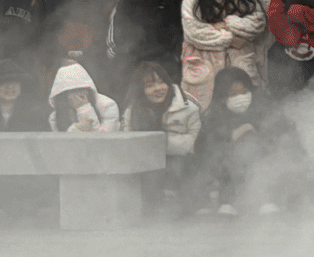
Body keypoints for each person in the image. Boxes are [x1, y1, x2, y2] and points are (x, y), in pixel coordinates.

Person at [179, 0, 268, 107]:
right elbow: (192, 30)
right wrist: (230, 39)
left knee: (246, 110)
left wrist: (229, 24)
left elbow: (258, 22)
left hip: (240, 63)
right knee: (204, 115)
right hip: (204, 67)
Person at [123, 57, 201, 212]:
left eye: (161, 82)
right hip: (148, 164)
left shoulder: (188, 108)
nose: (158, 88)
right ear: (141, 90)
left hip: (183, 162)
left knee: (175, 165)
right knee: (147, 170)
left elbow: (194, 142)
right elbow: (127, 144)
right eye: (150, 85)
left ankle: (178, 205)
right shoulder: (133, 111)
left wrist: (157, 143)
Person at [188, 65, 264, 216]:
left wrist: (250, 131)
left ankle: (265, 199)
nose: (240, 98)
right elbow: (202, 152)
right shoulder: (212, 118)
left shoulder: (263, 110)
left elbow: (277, 141)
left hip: (259, 175)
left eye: (244, 92)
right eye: (233, 94)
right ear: (222, 96)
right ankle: (224, 200)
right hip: (222, 177)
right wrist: (231, 136)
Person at [48, 59, 120, 132]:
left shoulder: (108, 106)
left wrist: (85, 109)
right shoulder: (55, 118)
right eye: (72, 91)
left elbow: (105, 141)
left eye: (81, 89)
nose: (78, 95)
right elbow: (62, 142)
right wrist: (75, 129)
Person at [0, 59, 34, 130]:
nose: (10, 87)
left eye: (14, 82)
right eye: (4, 82)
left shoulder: (34, 113)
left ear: (21, 87)